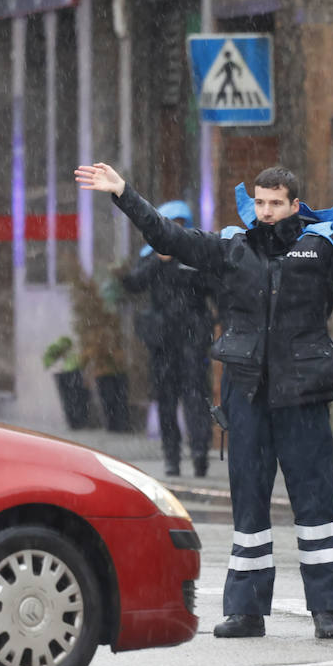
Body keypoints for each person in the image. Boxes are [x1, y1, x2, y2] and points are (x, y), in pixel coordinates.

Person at [76, 154, 333, 640]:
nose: (265, 211)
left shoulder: (322, 247)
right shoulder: (233, 248)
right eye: (260, 203)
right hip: (246, 395)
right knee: (248, 507)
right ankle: (247, 611)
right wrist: (124, 195)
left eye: (275, 203)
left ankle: (326, 609)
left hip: (303, 395)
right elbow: (167, 237)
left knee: (315, 505)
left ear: (295, 206)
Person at [119, 200, 216, 478]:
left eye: (180, 226)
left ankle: (200, 455)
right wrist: (158, 262)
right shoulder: (150, 256)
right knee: (166, 399)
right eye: (170, 226)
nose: (175, 232)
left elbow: (214, 288)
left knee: (196, 397)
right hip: (162, 342)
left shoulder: (197, 255)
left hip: (193, 339)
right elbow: (132, 283)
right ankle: (171, 457)